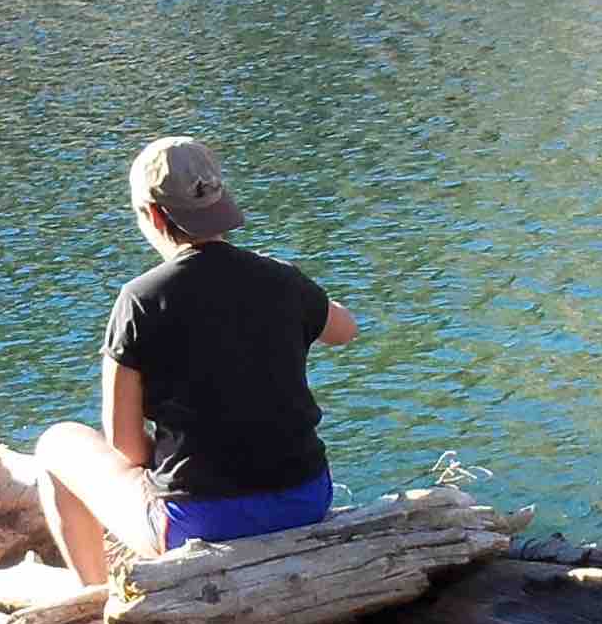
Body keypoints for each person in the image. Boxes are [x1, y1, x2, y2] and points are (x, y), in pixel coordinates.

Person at [28, 134, 357, 586]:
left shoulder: (140, 300)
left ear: (153, 215)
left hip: (197, 523)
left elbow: (125, 444)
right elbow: (345, 331)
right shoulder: (280, 280)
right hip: (304, 500)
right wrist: (286, 287)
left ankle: (97, 597)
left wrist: (163, 467)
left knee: (56, 444)